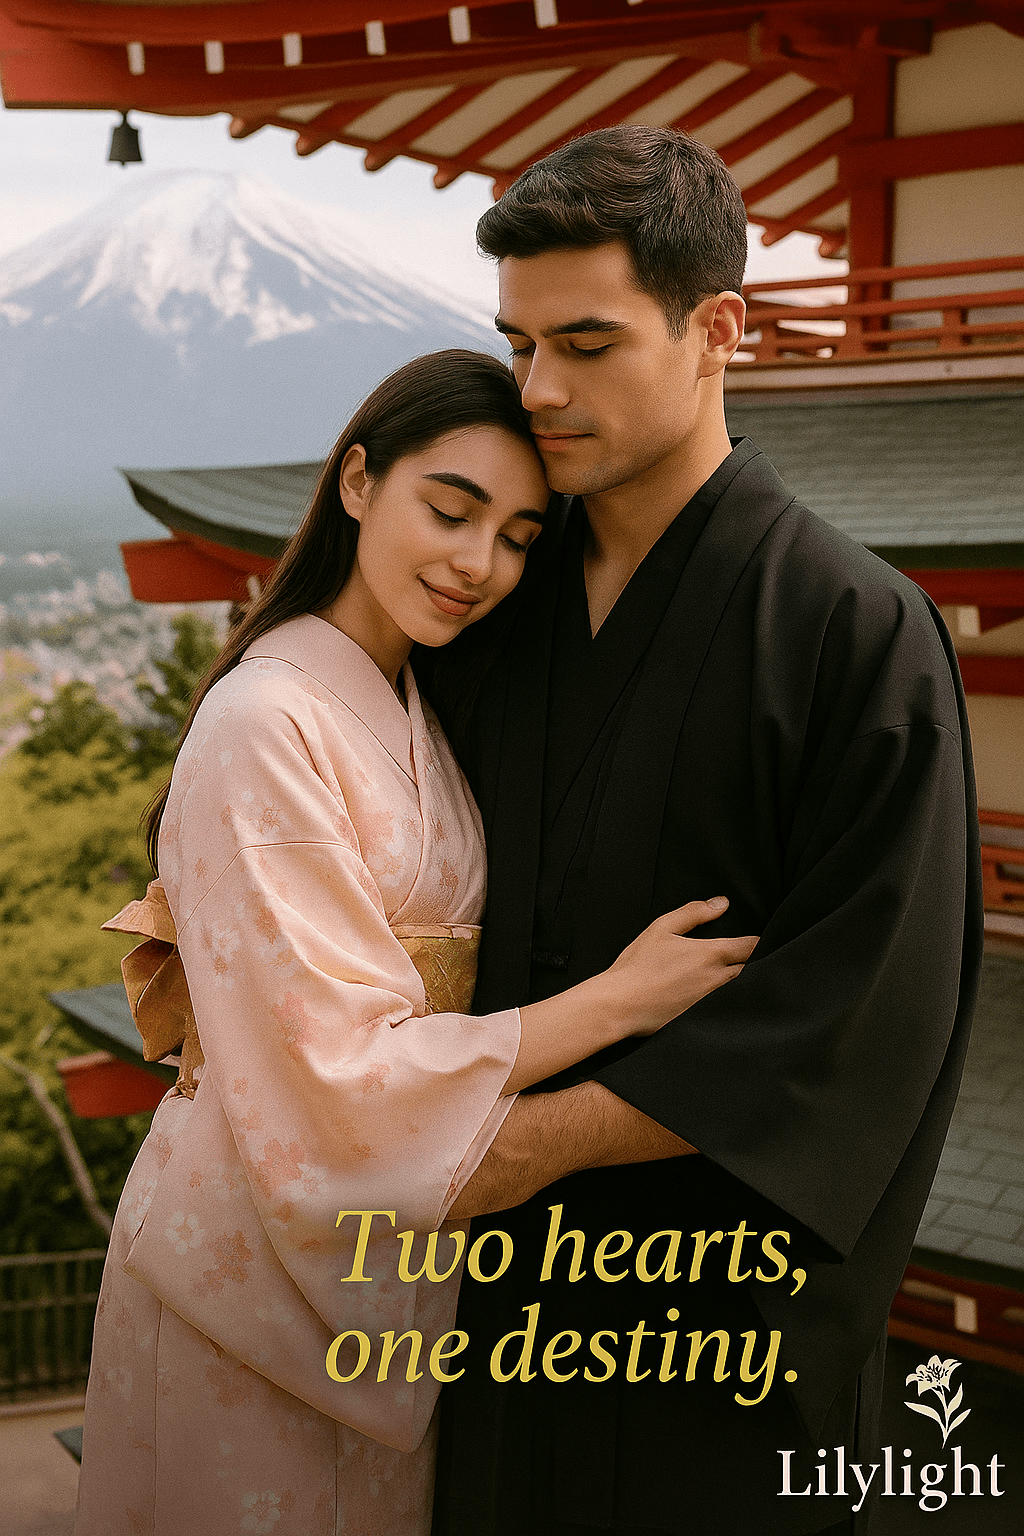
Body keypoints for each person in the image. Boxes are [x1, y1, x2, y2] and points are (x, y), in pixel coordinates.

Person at [74, 350, 757, 1536]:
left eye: (517, 537)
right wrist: (616, 1002)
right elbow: (330, 1069)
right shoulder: (264, 720)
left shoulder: (410, 704)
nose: (477, 563)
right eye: (449, 510)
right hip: (240, 1249)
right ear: (357, 482)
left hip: (384, 1263)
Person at [426, 130, 984, 1535]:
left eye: (587, 343)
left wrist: (529, 1143)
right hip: (477, 1306)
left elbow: (860, 1013)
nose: (539, 391)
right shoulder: (490, 604)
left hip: (719, 1331)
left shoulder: (856, 631)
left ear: (718, 328)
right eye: (518, 345)